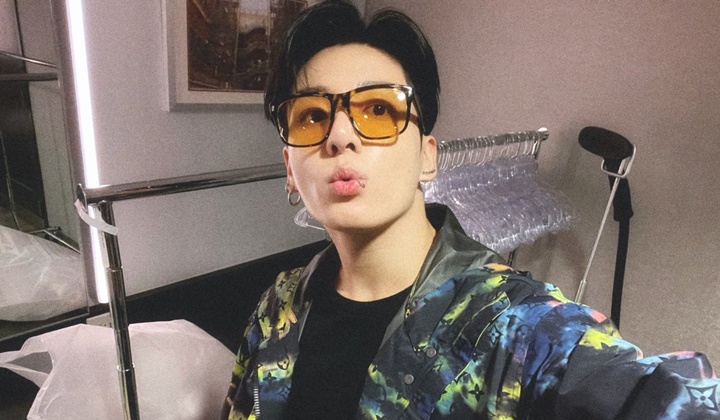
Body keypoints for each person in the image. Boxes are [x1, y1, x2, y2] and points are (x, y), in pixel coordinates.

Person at [221, 1, 718, 419]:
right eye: (312, 116)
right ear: (290, 169)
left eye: (378, 110)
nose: (340, 135)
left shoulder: (513, 325)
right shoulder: (278, 310)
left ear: (427, 156)